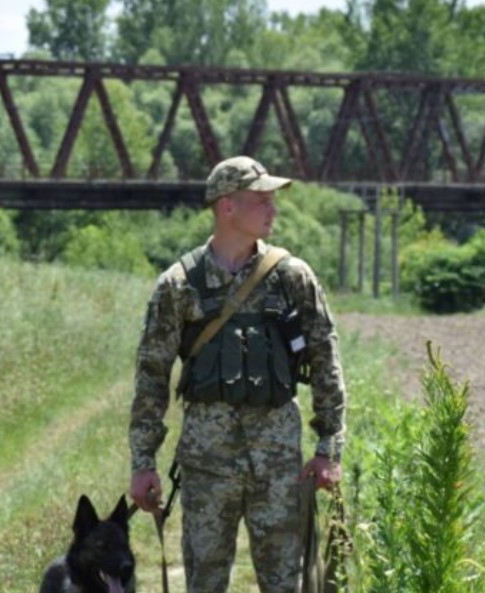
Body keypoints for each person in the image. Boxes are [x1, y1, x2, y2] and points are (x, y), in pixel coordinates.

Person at [127, 156, 346, 593]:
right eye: (261, 199)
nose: (273, 209)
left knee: (286, 583)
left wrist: (328, 449)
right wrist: (143, 463)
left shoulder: (291, 277)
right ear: (227, 206)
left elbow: (325, 361)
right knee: (205, 582)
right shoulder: (179, 284)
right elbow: (152, 375)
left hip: (279, 463)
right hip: (206, 464)